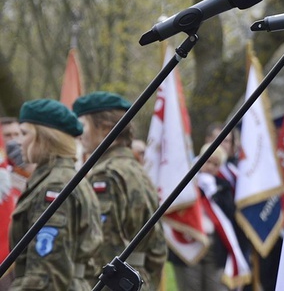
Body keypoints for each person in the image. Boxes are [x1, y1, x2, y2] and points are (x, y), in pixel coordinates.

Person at [73, 91, 167, 290]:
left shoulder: (106, 175)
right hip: (136, 280)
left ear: (106, 129)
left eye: (84, 125)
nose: (79, 134)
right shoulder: (137, 170)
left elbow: (102, 248)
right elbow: (157, 249)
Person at [10, 99, 102, 290]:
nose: (18, 141)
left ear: (45, 137)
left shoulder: (55, 186)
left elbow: (46, 276)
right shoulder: (64, 178)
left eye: (24, 133)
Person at [171, 144, 252, 291]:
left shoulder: (224, 186)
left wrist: (214, 194)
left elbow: (230, 213)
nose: (210, 167)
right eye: (208, 161)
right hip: (190, 242)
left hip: (215, 249)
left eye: (215, 164)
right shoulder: (188, 183)